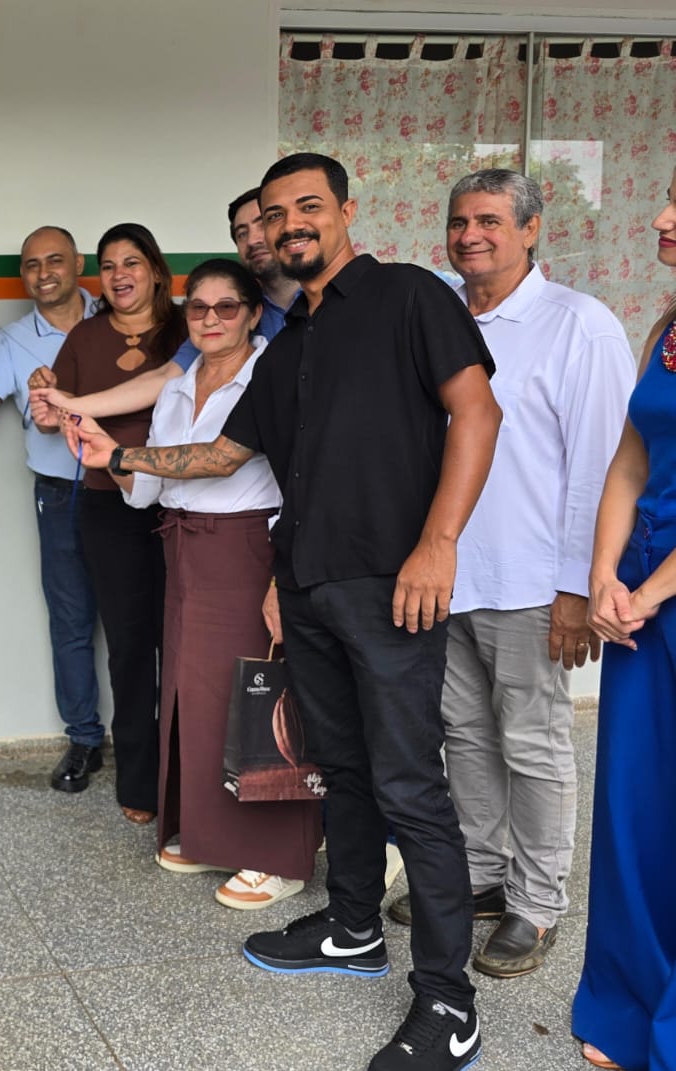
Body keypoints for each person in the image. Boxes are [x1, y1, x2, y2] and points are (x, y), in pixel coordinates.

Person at [74, 153, 501, 1071]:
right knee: (339, 767)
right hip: (306, 586)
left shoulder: (411, 299)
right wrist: (124, 459)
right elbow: (224, 456)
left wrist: (439, 543)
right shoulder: (291, 343)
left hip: (393, 584)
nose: (290, 223)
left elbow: (477, 414)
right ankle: (353, 928)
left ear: (346, 210)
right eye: (275, 214)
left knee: (409, 787)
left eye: (308, 206)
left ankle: (449, 1002)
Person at [386, 169, 633, 979]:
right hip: (445, 572)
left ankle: (536, 904)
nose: (470, 236)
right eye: (459, 222)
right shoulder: (442, 317)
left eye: (489, 220)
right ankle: (482, 876)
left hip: (533, 582)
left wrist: (576, 585)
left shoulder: (578, 325)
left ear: (532, 230)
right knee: (464, 735)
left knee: (533, 741)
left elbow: (601, 467)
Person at [70, 258, 322, 909]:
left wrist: (282, 574)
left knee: (259, 692)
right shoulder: (181, 383)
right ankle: (211, 834)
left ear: (253, 313)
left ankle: (278, 857)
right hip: (183, 549)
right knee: (194, 697)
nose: (210, 319)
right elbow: (147, 489)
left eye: (226, 307)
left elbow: (272, 475)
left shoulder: (273, 375)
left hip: (249, 549)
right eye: (198, 308)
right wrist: (108, 455)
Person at [573, 163, 676, 1071]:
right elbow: (631, 456)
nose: (662, 215)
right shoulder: (666, 329)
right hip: (640, 595)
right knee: (638, 804)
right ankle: (630, 998)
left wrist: (650, 588)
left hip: (664, 592)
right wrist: (606, 572)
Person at [35, 223, 185, 826]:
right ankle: (142, 781)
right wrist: (46, 397)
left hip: (183, 505)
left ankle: (190, 776)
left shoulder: (189, 329)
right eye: (109, 265)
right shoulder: (85, 337)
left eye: (132, 262)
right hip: (107, 506)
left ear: (154, 270)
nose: (120, 274)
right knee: (128, 648)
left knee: (184, 644)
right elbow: (53, 420)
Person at [0, 226, 105, 793]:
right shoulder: (13, 341)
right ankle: (85, 737)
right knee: (70, 623)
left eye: (55, 261)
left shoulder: (118, 314)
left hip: (132, 491)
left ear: (78, 264)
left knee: (143, 622)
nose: (44, 273)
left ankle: (151, 738)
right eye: (32, 265)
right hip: (60, 495)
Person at [35, 188, 298, 422]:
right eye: (242, 234)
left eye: (262, 224)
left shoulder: (327, 300)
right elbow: (163, 378)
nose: (252, 240)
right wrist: (69, 405)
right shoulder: (225, 319)